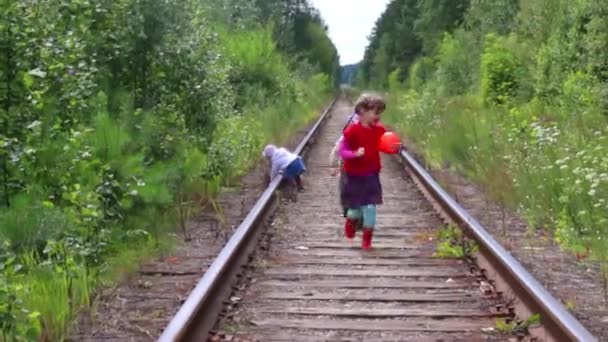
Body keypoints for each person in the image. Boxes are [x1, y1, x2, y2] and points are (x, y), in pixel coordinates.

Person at [340, 94, 393, 250]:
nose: (378, 117)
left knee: (370, 208)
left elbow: (386, 146)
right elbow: (343, 151)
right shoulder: (352, 131)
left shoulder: (380, 130)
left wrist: (395, 147)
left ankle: (367, 241)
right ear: (362, 111)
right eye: (375, 113)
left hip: (372, 175)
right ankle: (350, 221)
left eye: (380, 113)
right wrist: (354, 154)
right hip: (354, 176)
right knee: (354, 211)